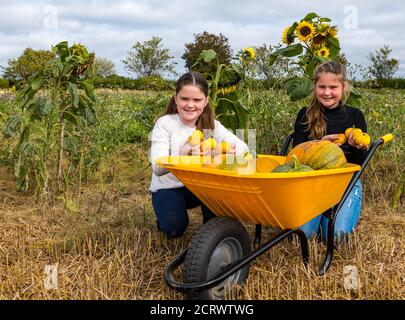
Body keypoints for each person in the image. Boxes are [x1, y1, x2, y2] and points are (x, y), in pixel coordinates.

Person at [149, 71, 249, 239]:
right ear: (175, 98)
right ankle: (164, 219)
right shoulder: (165, 124)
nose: (190, 105)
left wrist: (219, 150)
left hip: (199, 185)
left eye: (197, 100)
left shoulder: (211, 126)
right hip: (168, 187)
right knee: (174, 228)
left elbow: (243, 148)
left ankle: (210, 233)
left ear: (206, 101)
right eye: (184, 99)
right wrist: (185, 153)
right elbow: (158, 168)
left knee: (217, 211)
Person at [292, 61, 368, 243]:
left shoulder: (355, 116)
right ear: (315, 87)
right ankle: (323, 216)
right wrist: (318, 145)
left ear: (344, 87)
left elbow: (360, 163)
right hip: (312, 183)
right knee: (301, 237)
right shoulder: (305, 114)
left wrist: (358, 147)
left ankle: (336, 215)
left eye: (333, 87)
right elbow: (295, 155)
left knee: (337, 238)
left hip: (345, 183)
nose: (327, 92)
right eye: (322, 87)